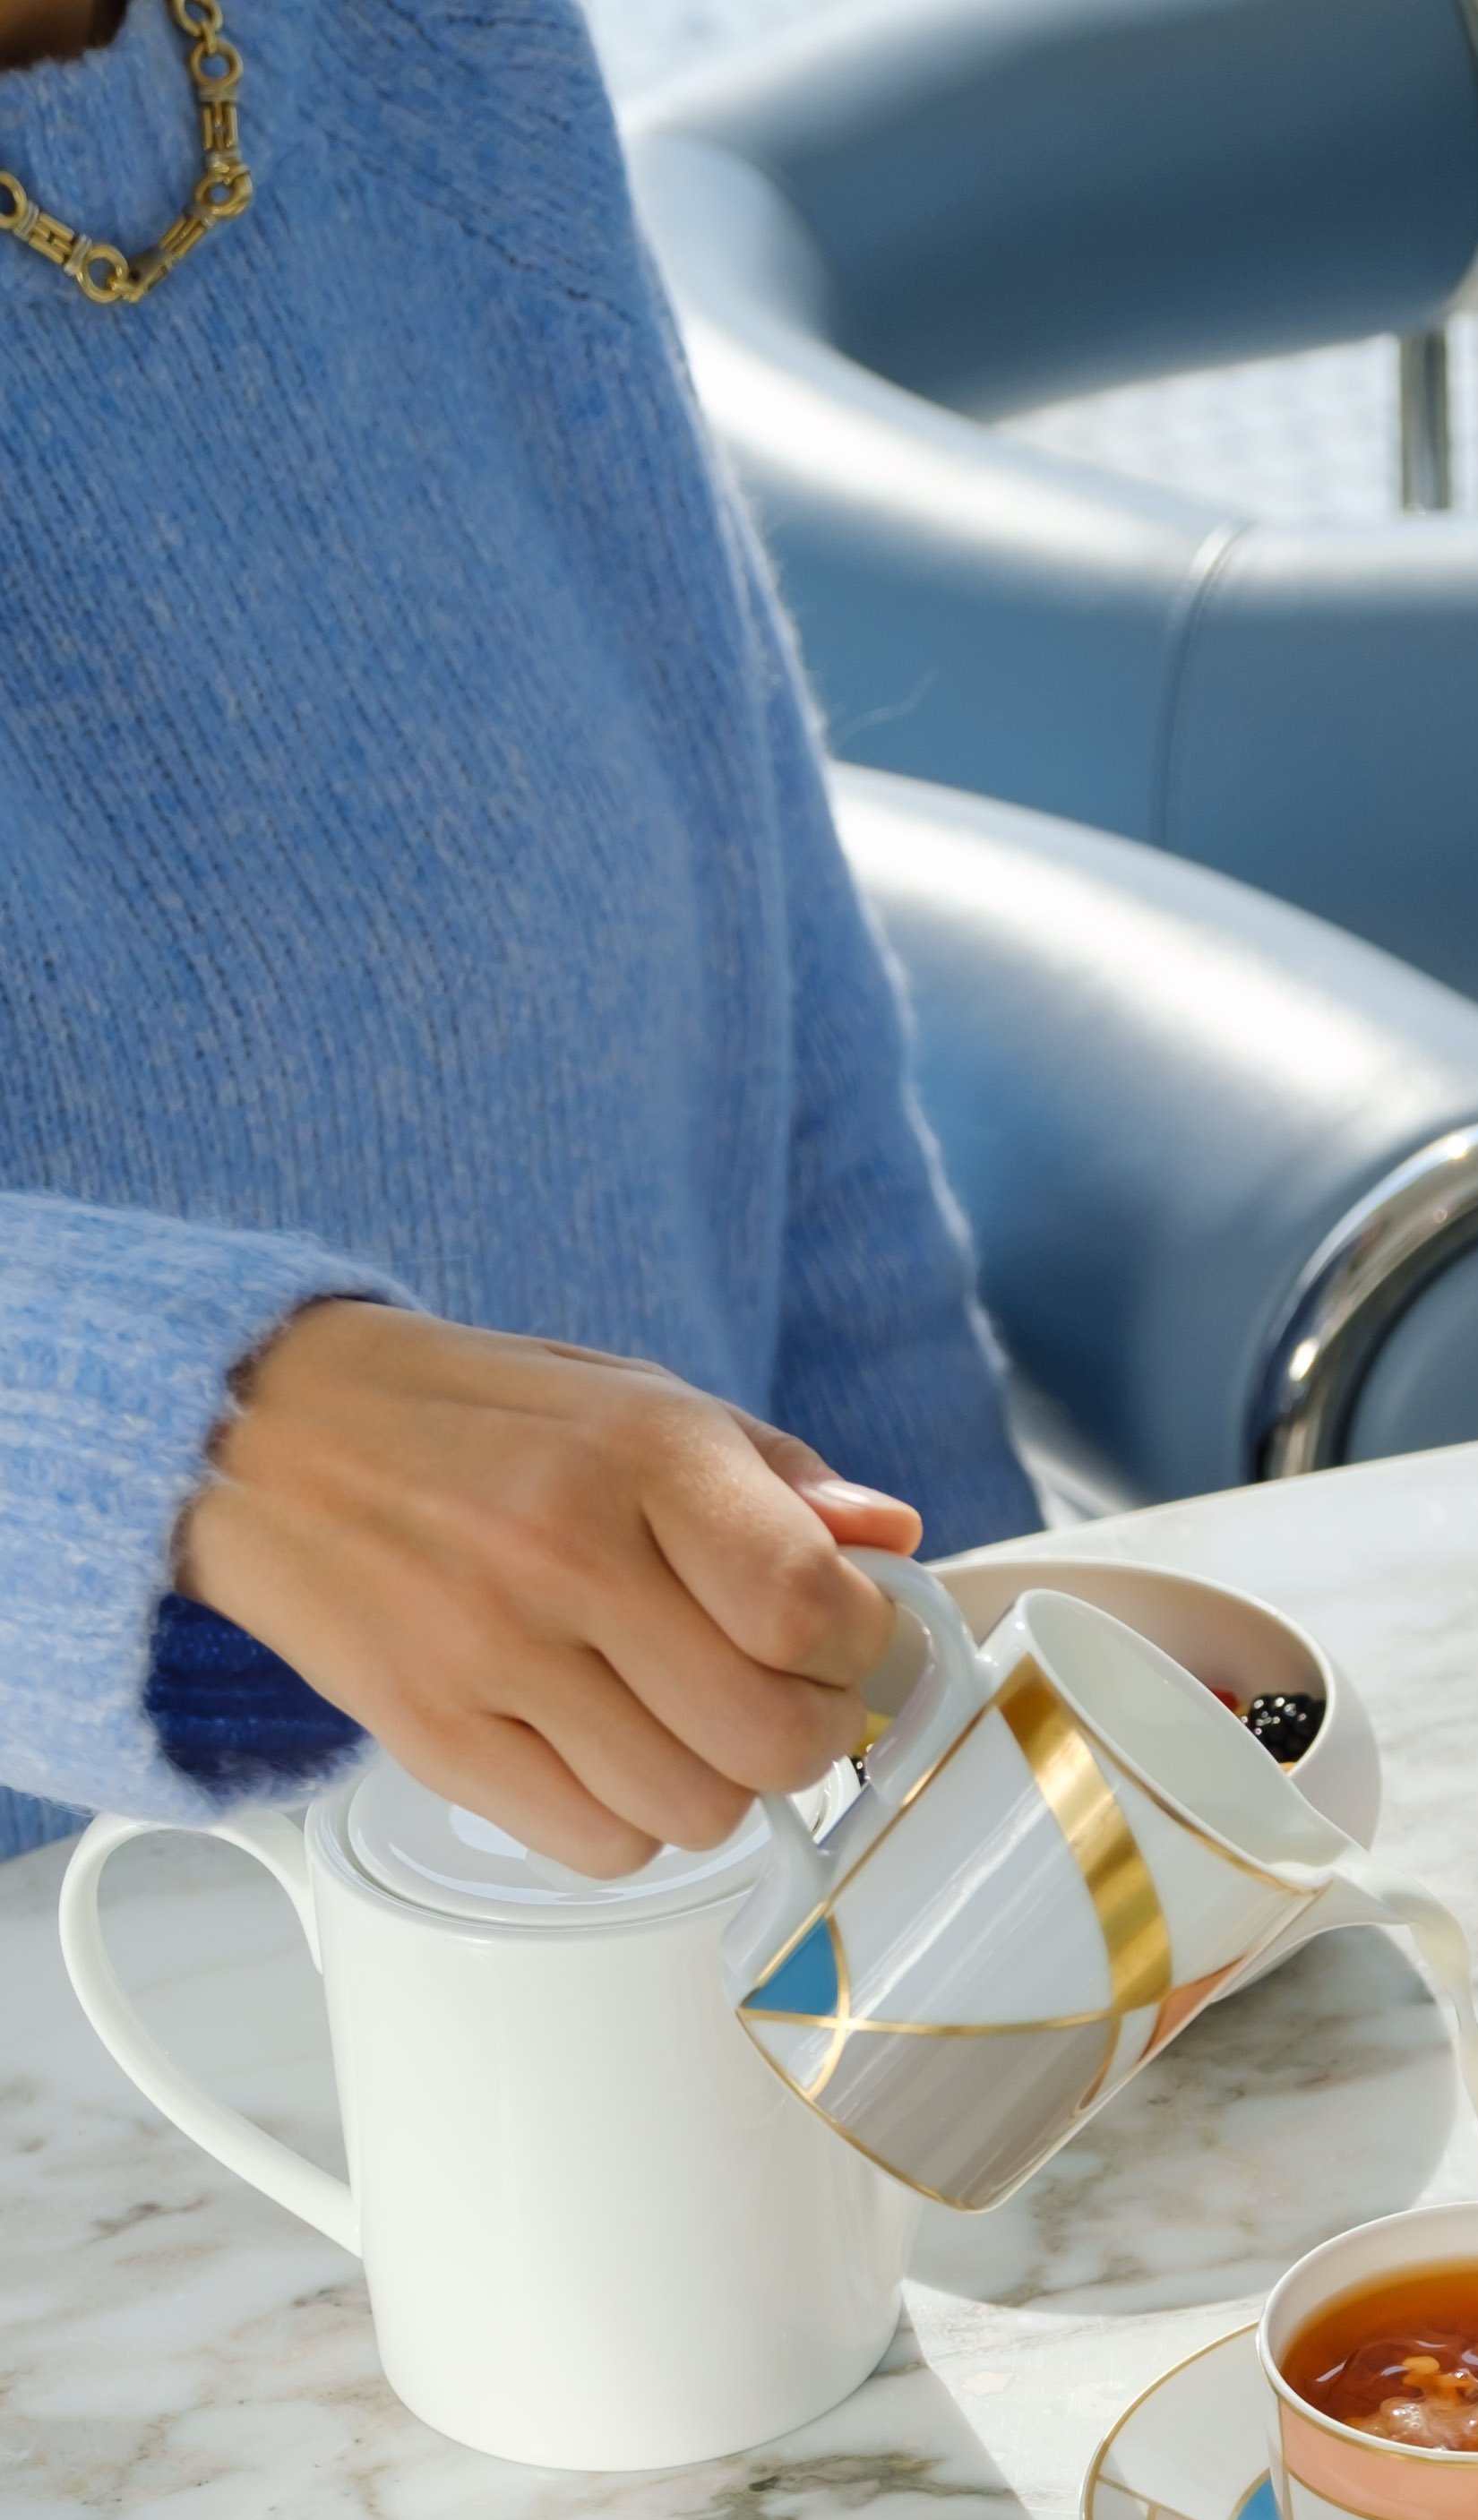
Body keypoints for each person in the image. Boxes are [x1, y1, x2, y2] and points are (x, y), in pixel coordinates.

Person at [0, 0, 1039, 1885]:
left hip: (712, 1946)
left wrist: (995, 1756)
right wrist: (160, 1433)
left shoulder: (433, 45)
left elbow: (776, 1049)